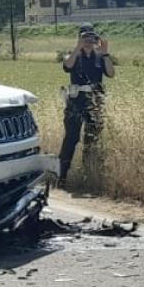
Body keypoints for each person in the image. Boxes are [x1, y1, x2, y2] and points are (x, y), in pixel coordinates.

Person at [56, 24, 115, 187]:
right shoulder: (73, 55)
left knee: (92, 139)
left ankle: (87, 175)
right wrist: (78, 47)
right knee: (71, 139)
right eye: (85, 38)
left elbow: (111, 73)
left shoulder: (99, 57)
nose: (88, 41)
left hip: (95, 102)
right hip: (76, 102)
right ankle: (61, 177)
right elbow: (67, 66)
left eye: (91, 38)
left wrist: (105, 53)